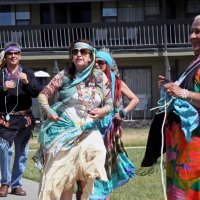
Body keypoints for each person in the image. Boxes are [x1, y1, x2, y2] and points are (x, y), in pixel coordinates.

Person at [33, 40, 113, 200]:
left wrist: (102, 111)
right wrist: (48, 110)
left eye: (83, 52)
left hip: (89, 130)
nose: (78, 55)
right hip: (64, 131)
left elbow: (110, 103)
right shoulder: (64, 76)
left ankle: (92, 196)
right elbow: (43, 95)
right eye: (75, 52)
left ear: (90, 56)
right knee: (60, 179)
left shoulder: (100, 77)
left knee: (97, 157)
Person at [140, 15, 200, 199]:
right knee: (178, 192)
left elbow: (188, 94)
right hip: (180, 144)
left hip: (194, 146)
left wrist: (181, 92)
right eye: (192, 31)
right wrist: (174, 86)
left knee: (187, 192)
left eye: (198, 31)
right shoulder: (195, 63)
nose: (192, 36)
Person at [85, 50, 139, 199]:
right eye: (95, 62)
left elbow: (134, 99)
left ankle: (103, 196)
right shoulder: (88, 80)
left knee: (106, 165)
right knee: (89, 163)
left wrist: (122, 113)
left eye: (101, 62)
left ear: (107, 65)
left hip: (108, 128)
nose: (97, 64)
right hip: (91, 127)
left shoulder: (116, 81)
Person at [0, 42, 42, 197]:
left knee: (22, 152)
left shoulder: (28, 72)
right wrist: (3, 88)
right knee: (4, 148)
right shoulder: (1, 74)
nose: (13, 56)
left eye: (16, 53)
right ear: (6, 56)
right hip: (5, 118)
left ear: (20, 56)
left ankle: (17, 184)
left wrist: (27, 82)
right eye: (10, 53)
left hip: (24, 118)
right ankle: (5, 183)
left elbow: (37, 92)